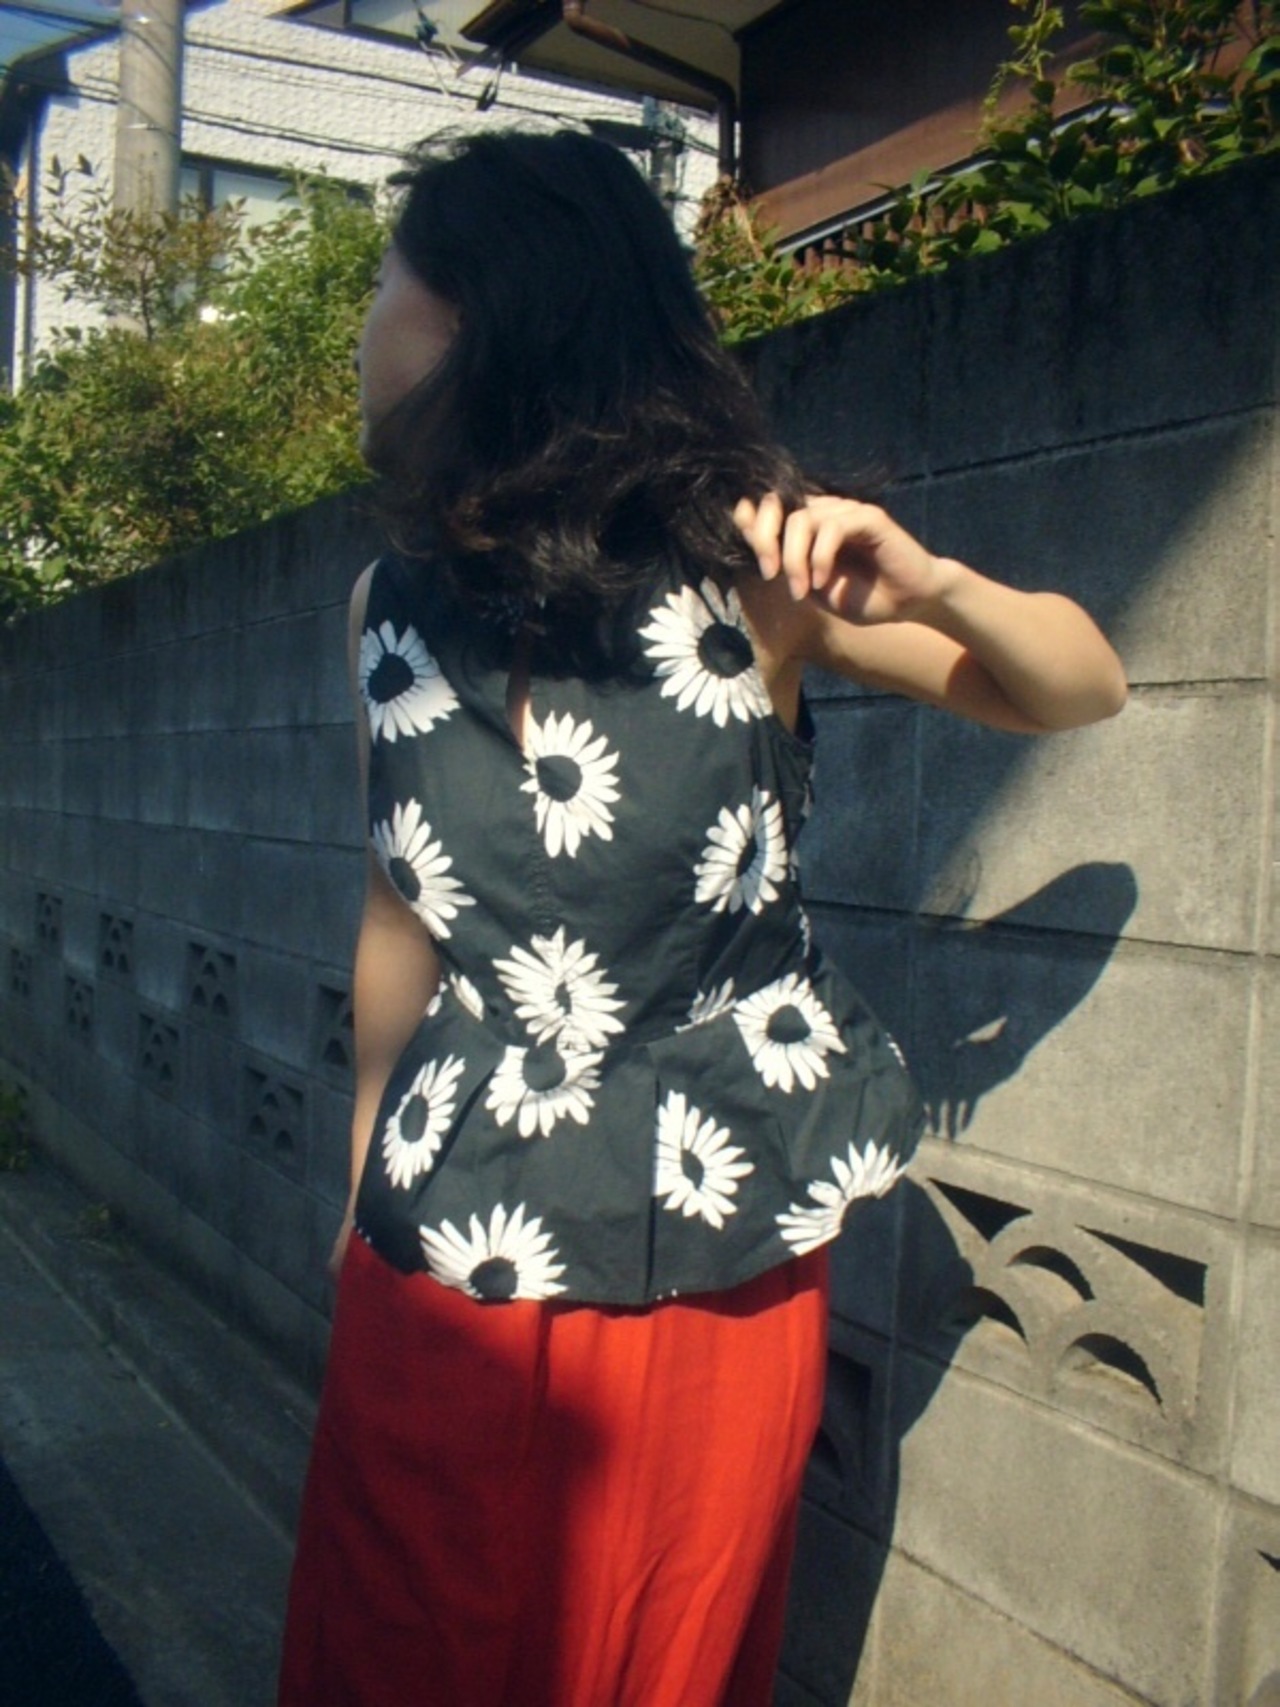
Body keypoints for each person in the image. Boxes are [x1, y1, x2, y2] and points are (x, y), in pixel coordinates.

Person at [277, 130, 1126, 1707]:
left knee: (648, 1651)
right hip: (434, 1238)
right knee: (397, 1643)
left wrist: (934, 583)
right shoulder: (384, 607)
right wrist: (357, 1179)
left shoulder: (752, 572)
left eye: (390, 276)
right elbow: (400, 904)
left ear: (487, 313)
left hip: (702, 1237)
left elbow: (1079, 687)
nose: (365, 317)